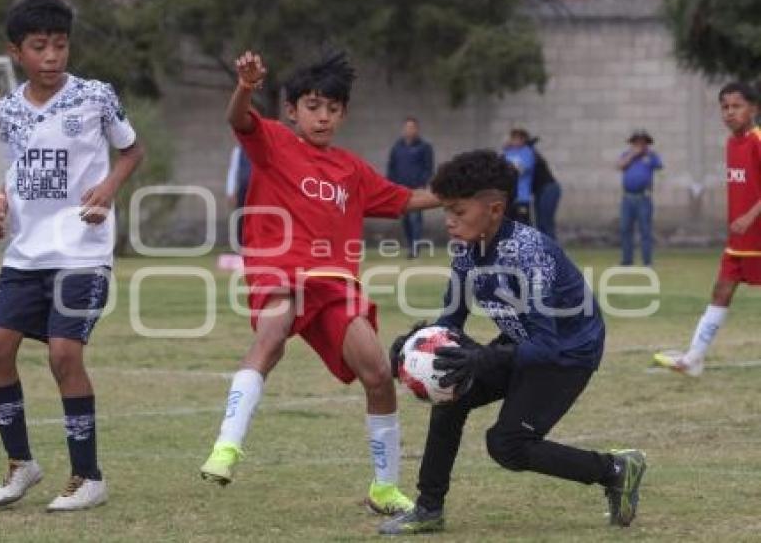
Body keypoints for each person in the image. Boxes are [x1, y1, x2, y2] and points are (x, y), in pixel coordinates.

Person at [199, 50, 440, 515]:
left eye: (332, 108)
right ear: (292, 110)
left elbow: (407, 199)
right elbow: (238, 117)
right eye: (312, 106)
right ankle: (227, 446)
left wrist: (462, 189)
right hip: (280, 269)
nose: (322, 116)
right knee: (272, 335)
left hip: (333, 284)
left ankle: (385, 489)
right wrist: (246, 86)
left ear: (343, 113)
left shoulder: (352, 170)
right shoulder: (271, 141)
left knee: (377, 374)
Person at [379, 150, 646, 535]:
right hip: (524, 340)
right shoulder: (468, 251)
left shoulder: (527, 254)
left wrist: (482, 358)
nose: (450, 222)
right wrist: (416, 346)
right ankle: (428, 509)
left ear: (495, 209)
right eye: (446, 212)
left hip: (569, 353)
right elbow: (452, 320)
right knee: (450, 396)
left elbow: (547, 346)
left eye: (459, 212)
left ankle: (615, 469)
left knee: (509, 444)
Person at [0, 0, 144, 511]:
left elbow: (132, 149)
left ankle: (88, 476)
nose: (52, 56)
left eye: (60, 45)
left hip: (83, 250)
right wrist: (1, 201)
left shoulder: (95, 96)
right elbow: (16, 170)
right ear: (15, 52)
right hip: (26, 253)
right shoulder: (7, 110)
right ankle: (21, 464)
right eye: (39, 47)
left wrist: (109, 186)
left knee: (63, 353)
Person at [654, 83, 761, 376]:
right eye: (724, 107)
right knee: (721, 292)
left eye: (736, 106)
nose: (729, 113)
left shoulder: (757, 140)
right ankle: (693, 359)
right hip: (738, 242)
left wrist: (751, 216)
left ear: (754, 108)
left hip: (758, 240)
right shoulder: (731, 143)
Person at [386, 117, 434, 258]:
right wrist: (391, 184)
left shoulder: (424, 147)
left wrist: (422, 183)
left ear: (417, 129)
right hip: (400, 189)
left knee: (415, 219)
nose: (409, 130)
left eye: (412, 127)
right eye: (407, 127)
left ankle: (415, 249)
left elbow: (428, 168)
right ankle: (410, 245)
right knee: (406, 221)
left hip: (416, 190)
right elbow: (392, 167)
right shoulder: (397, 147)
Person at [617, 129, 663, 266]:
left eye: (642, 142)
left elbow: (659, 165)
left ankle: (647, 262)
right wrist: (632, 155)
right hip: (627, 198)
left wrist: (647, 155)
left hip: (643, 198)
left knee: (645, 230)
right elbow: (620, 165)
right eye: (637, 141)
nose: (639, 144)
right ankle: (627, 261)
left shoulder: (651, 156)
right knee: (625, 229)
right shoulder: (627, 155)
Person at [529, 135, 562, 239]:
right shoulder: (528, 155)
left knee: (545, 223)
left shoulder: (531, 155)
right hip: (540, 191)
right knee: (540, 224)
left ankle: (551, 250)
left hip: (548, 189)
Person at [502, 127, 536, 225]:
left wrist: (510, 167)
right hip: (508, 196)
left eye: (518, 138)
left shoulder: (527, 152)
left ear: (524, 139)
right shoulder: (507, 152)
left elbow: (522, 169)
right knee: (509, 223)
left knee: (523, 223)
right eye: (513, 138)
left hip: (522, 196)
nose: (515, 141)